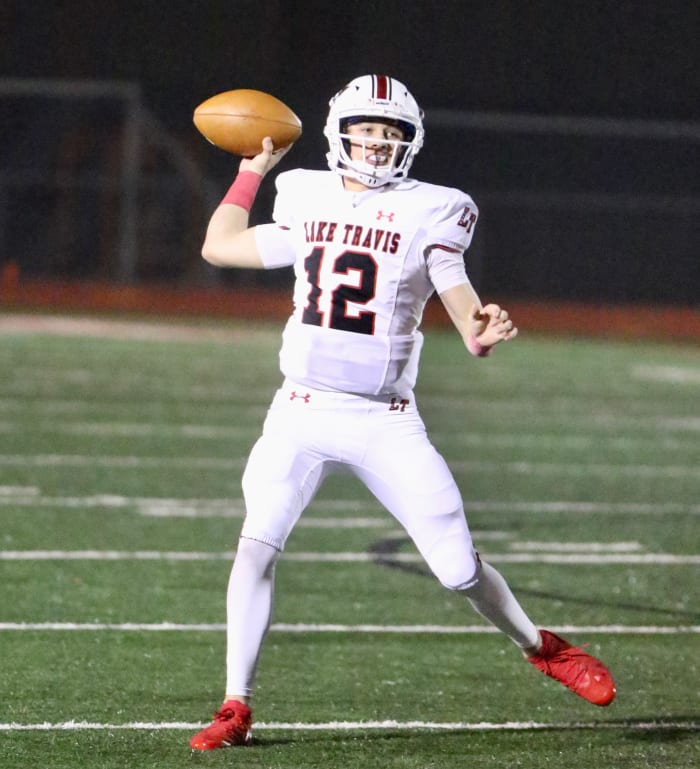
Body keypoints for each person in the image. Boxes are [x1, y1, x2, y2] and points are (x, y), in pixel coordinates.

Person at [189, 74, 615, 751]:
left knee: (459, 571)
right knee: (255, 546)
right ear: (340, 131)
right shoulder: (304, 192)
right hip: (299, 408)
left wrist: (484, 326)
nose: (378, 144)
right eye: (368, 129)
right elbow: (221, 245)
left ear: (408, 144)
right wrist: (249, 173)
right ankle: (235, 703)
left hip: (385, 419)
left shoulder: (434, 209)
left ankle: (542, 645)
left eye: (392, 134)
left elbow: (464, 312)